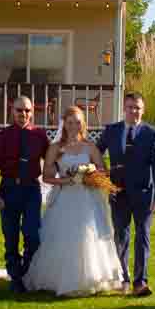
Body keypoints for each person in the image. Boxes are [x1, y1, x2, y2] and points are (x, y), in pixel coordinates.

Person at [24, 106, 125, 297]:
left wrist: (89, 174)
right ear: (64, 124)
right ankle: (60, 278)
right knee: (65, 236)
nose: (73, 126)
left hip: (88, 199)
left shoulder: (90, 147)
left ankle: (90, 277)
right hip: (66, 198)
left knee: (88, 236)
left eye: (77, 122)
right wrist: (67, 180)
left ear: (83, 124)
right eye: (70, 122)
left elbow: (103, 172)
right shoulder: (55, 149)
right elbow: (46, 177)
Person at [98, 92, 155, 298]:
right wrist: (98, 174)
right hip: (118, 194)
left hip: (144, 194)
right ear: (124, 109)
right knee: (121, 237)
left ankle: (140, 282)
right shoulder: (111, 131)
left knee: (142, 237)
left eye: (137, 108)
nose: (133, 111)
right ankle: (123, 278)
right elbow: (95, 153)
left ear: (142, 110)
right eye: (130, 107)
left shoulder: (152, 134)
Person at [0, 96, 50, 293]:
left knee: (33, 235)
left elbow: (51, 160)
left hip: (31, 190)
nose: (23, 114)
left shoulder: (40, 135)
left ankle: (22, 270)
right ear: (12, 111)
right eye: (19, 110)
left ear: (32, 112)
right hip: (9, 190)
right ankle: (16, 279)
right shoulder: (3, 136)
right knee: (11, 237)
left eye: (27, 111)